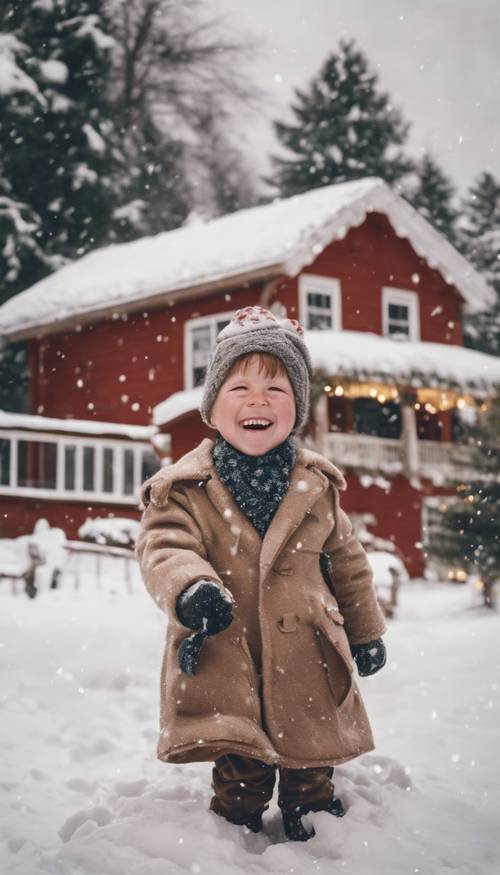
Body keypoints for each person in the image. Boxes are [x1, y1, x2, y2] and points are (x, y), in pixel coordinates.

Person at [136, 305, 387, 841]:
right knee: (239, 758)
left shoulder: (317, 487)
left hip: (308, 652)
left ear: (296, 408)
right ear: (212, 407)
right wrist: (191, 587)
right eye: (239, 388)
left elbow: (349, 564)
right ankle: (236, 828)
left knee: (312, 751)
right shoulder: (185, 488)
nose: (257, 400)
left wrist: (366, 633)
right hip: (229, 645)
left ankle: (311, 810)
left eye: (276, 390)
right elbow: (164, 546)